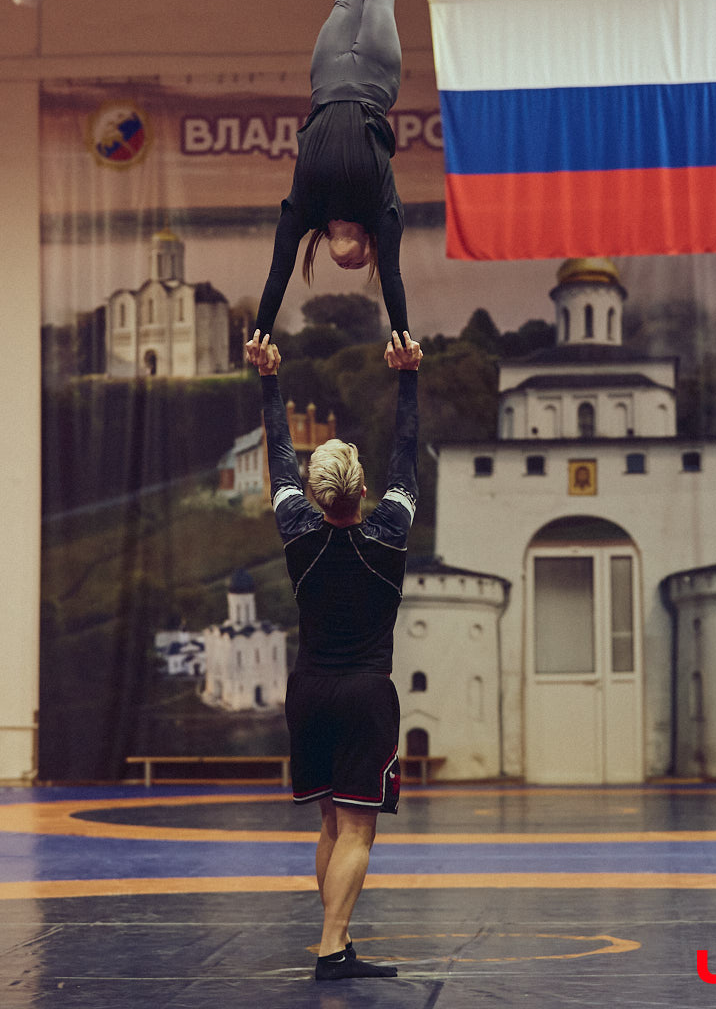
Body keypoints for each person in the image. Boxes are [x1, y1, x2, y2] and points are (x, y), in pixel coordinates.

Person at [252, 327, 421, 980]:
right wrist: (408, 376)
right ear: (359, 489)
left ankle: (334, 942)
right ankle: (332, 946)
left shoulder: (297, 532)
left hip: (310, 692)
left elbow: (281, 460)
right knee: (357, 831)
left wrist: (269, 381)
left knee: (330, 825)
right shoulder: (390, 533)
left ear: (321, 494)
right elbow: (406, 454)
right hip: (362, 695)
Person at [248, 0, 408, 367]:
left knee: (345, 0)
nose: (350, 266)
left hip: (325, 78)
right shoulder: (381, 212)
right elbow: (393, 279)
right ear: (368, 244)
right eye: (360, 266)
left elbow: (279, 272)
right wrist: (400, 340)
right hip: (377, 79)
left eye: (343, 266)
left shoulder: (306, 209)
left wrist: (261, 334)